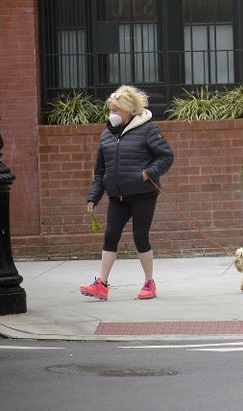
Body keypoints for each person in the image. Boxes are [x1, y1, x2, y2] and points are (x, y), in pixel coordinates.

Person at [80, 85, 174, 301]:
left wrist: (148, 173)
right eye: (110, 110)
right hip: (117, 196)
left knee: (140, 237)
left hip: (143, 194)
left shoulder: (147, 129)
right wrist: (94, 197)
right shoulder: (106, 135)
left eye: (116, 110)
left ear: (128, 111)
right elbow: (101, 170)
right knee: (110, 236)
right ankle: (101, 285)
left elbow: (166, 156)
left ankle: (149, 283)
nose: (112, 114)